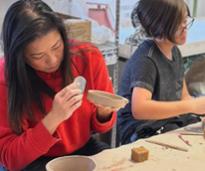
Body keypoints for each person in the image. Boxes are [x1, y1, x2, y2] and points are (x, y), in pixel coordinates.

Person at [0, 0, 117, 170]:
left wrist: (104, 112)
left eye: (57, 46)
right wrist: (55, 116)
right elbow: (10, 159)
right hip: (32, 160)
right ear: (20, 56)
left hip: (82, 149)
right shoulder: (6, 79)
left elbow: (101, 126)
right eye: (38, 56)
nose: (52, 60)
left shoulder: (88, 57)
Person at [118, 0, 205, 145]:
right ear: (160, 25)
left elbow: (184, 98)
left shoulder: (175, 51)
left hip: (166, 120)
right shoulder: (146, 59)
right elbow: (139, 109)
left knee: (195, 124)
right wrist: (192, 106)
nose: (185, 27)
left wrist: (198, 107)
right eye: (179, 23)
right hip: (140, 128)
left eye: (185, 20)